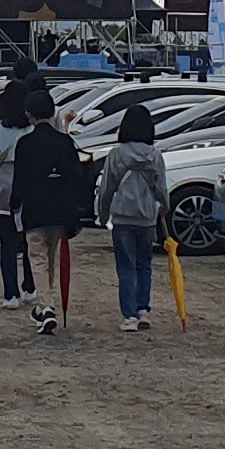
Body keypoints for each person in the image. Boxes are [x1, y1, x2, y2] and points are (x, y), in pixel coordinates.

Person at [12, 103, 91, 338]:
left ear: (29, 114)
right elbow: (76, 176)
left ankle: (46, 307)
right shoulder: (64, 142)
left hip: (34, 207)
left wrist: (14, 203)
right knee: (49, 257)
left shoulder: (25, 143)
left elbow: (19, 178)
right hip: (60, 208)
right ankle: (44, 305)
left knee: (37, 258)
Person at [93, 102, 167, 331]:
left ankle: (130, 316)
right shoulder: (155, 155)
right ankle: (143, 309)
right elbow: (161, 187)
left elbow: (107, 188)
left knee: (126, 267)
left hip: (123, 216)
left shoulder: (116, 155)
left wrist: (103, 214)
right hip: (147, 216)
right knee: (144, 265)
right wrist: (164, 206)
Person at [0, 91, 28, 305]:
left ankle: (11, 294)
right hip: (29, 185)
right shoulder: (31, 128)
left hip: (4, 188)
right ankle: (30, 287)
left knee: (7, 244)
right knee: (29, 241)